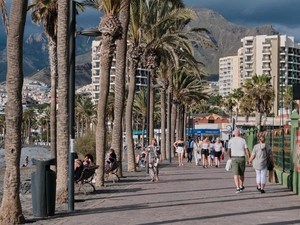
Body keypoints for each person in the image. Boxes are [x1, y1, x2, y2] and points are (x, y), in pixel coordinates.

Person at [228, 129, 251, 193]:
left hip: (234, 158)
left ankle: (237, 187)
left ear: (234, 134)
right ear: (239, 133)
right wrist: (249, 158)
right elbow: (246, 149)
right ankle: (241, 185)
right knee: (242, 173)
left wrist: (229, 157)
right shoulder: (243, 140)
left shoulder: (231, 140)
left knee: (235, 174)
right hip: (242, 158)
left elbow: (229, 150)